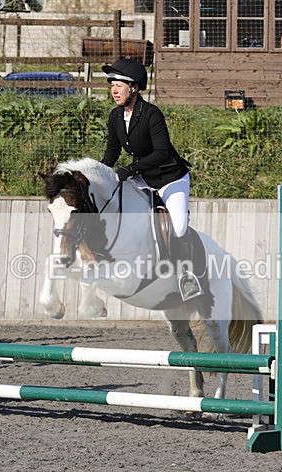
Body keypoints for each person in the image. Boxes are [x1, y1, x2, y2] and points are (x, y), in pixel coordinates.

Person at [100, 58, 202, 301]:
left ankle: (187, 276)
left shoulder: (152, 114)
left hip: (170, 178)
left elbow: (162, 152)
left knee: (177, 227)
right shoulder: (115, 117)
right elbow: (111, 153)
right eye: (112, 85)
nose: (114, 90)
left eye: (119, 85)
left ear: (134, 88)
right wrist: (98, 174)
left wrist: (130, 169)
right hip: (142, 178)